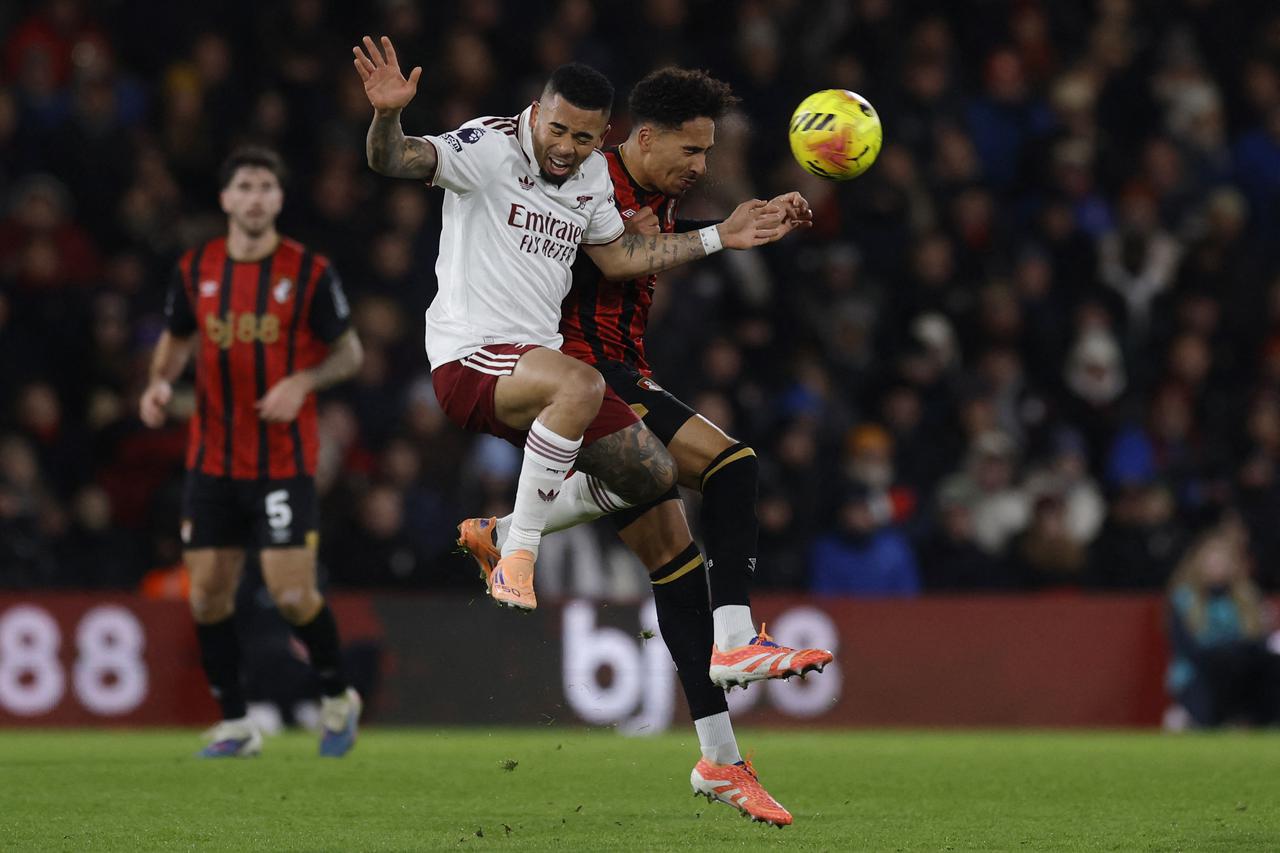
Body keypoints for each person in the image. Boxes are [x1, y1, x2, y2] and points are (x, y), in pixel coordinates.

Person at [454, 67, 830, 826]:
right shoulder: (594, 179)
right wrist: (723, 234)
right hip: (584, 372)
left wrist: (756, 216)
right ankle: (734, 639)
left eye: (708, 151)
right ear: (645, 138)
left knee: (676, 562)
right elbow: (618, 252)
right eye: (691, 150)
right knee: (731, 464)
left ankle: (721, 761)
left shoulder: (659, 188)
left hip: (623, 371)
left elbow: (666, 236)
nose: (701, 165)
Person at [353, 37, 794, 616]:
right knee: (582, 383)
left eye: (584, 138)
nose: (566, 148)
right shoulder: (487, 146)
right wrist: (388, 115)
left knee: (652, 473)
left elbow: (618, 258)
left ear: (603, 136)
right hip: (473, 354)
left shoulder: (590, 180)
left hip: (538, 362)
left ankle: (500, 531)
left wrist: (721, 236)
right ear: (537, 112)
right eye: (557, 130)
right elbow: (393, 159)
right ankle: (519, 554)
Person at [139, 147, 365, 758]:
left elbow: (350, 355)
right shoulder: (196, 269)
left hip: (283, 462)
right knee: (208, 592)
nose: (257, 195)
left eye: (268, 185)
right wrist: (160, 383)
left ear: (279, 200)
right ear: (227, 199)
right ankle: (238, 723)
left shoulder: (309, 272)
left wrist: (302, 382)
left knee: (291, 593)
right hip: (212, 461)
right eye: (246, 185)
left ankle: (338, 695)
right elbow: (176, 341)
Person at [1165, 528, 1280, 728]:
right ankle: (1194, 716)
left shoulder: (1249, 598)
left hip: (1243, 671)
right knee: (1222, 671)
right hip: (1201, 673)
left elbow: (1260, 643)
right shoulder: (1184, 600)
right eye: (1211, 560)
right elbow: (1190, 650)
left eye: (1221, 560)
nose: (1216, 566)